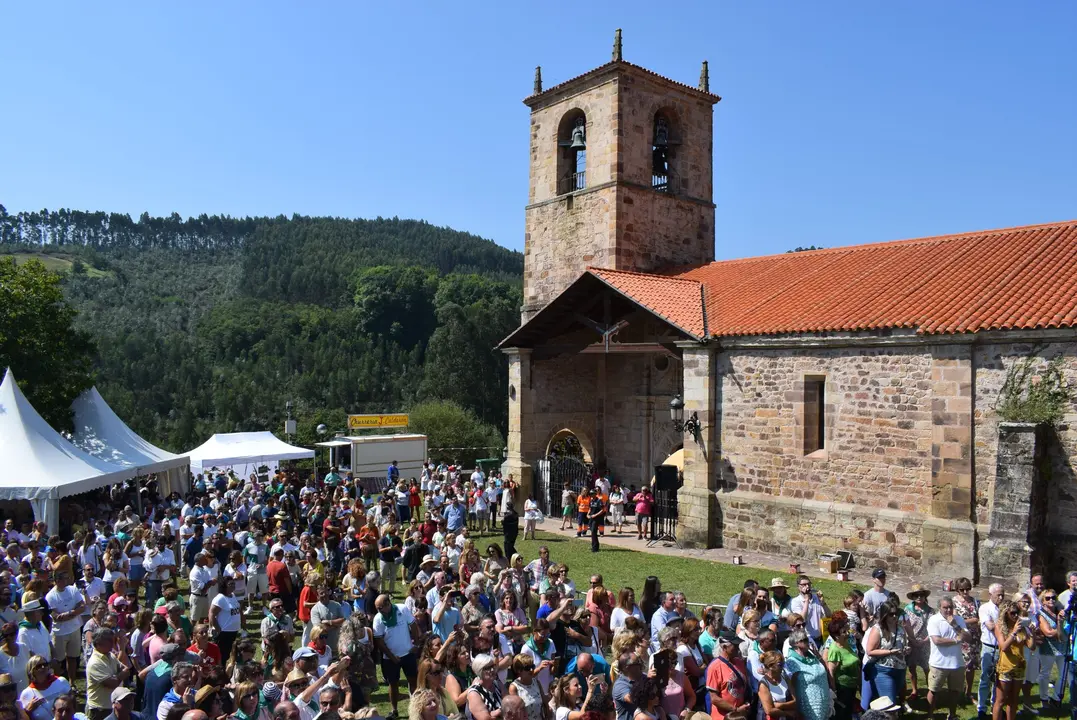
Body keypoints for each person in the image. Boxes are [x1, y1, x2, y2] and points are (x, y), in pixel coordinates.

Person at [372, 594, 419, 718]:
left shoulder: (402, 609)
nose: (378, 611)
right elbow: (379, 642)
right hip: (390, 659)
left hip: (408, 653)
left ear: (388, 604)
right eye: (377, 608)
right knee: (393, 684)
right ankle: (394, 710)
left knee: (413, 680)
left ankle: (416, 707)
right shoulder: (378, 619)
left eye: (380, 608)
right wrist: (392, 657)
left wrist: (416, 643)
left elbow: (413, 626)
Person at [925, 596, 969, 720]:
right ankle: (930, 715)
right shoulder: (934, 620)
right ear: (940, 607)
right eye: (945, 607)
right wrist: (956, 640)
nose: (949, 610)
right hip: (939, 663)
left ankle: (952, 714)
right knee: (934, 690)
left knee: (954, 691)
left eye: (951, 607)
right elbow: (937, 640)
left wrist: (955, 626)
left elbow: (967, 637)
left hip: (956, 663)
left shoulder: (958, 620)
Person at [862, 602, 908, 709]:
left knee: (893, 701)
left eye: (896, 613)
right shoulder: (877, 629)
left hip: (900, 669)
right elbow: (870, 651)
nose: (895, 616)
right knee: (889, 703)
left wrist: (906, 650)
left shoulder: (900, 629)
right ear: (885, 615)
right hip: (883, 670)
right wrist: (891, 652)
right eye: (891, 614)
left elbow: (903, 645)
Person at [993, 599, 1034, 720]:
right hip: (1005, 667)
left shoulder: (1021, 626)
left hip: (1019, 666)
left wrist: (1031, 632)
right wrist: (1014, 632)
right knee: (1000, 700)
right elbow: (1004, 647)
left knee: (1014, 700)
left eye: (1017, 612)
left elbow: (1032, 646)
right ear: (1005, 613)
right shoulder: (1000, 626)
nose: (1016, 615)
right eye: (1012, 613)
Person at [46, 571, 85, 681]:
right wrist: (75, 612)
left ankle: (72, 682)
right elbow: (56, 617)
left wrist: (69, 614)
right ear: (57, 581)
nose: (67, 581)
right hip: (59, 633)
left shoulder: (73, 589)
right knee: (58, 660)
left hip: (75, 628)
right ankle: (59, 682)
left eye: (67, 578)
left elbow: (82, 606)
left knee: (73, 658)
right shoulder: (50, 596)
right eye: (64, 578)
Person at [86, 627, 133, 720]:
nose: (113, 643)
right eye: (109, 640)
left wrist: (119, 675)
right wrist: (120, 675)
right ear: (99, 643)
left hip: (110, 707)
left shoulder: (110, 655)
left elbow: (127, 669)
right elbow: (113, 683)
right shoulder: (95, 662)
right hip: (99, 710)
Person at [784, 628, 830, 720]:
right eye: (804, 640)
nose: (807, 642)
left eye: (807, 639)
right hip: (809, 705)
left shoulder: (812, 655)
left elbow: (825, 670)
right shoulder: (791, 661)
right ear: (795, 644)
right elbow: (791, 686)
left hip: (824, 701)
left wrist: (818, 655)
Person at [823, 613, 859, 720]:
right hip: (842, 689)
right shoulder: (835, 649)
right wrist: (834, 691)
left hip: (851, 686)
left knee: (848, 712)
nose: (847, 633)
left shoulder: (846, 643)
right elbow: (831, 672)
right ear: (837, 636)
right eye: (844, 632)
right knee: (842, 714)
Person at [950, 577, 981, 701]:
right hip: (960, 636)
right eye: (962, 589)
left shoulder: (975, 601)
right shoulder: (953, 602)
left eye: (967, 589)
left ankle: (968, 692)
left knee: (971, 666)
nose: (965, 592)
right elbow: (954, 620)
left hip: (974, 638)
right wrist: (972, 621)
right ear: (957, 590)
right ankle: (957, 690)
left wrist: (969, 621)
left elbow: (980, 618)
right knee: (960, 665)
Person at [1035, 587, 1066, 708]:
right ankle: (1044, 699)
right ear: (1043, 601)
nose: (1051, 600)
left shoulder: (1060, 611)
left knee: (1065, 674)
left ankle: (1056, 697)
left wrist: (1061, 630)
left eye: (1053, 597)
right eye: (1047, 598)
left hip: (1062, 647)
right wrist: (1060, 628)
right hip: (1048, 648)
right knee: (1045, 674)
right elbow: (1047, 632)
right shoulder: (1041, 614)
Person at [977, 583, 1004, 718]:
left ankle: (996, 706)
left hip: (1002, 648)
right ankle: (982, 707)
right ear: (990, 595)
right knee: (986, 678)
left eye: (1002, 595)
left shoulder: (1004, 608)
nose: (1000, 597)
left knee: (999, 679)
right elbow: (990, 626)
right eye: (998, 595)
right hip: (989, 646)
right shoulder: (985, 608)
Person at [903, 584, 933, 702]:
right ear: (913, 597)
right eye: (916, 595)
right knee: (912, 667)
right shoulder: (907, 610)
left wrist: (925, 640)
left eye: (921, 595)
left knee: (927, 668)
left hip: (926, 643)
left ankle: (930, 690)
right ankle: (914, 690)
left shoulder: (931, 611)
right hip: (911, 641)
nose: (919, 597)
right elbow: (905, 625)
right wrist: (912, 640)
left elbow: (933, 628)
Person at [20, 655, 72, 720]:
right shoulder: (26, 694)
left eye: (45, 664)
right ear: (31, 671)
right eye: (39, 666)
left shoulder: (61, 681)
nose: (43, 667)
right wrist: (28, 711)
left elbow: (73, 705)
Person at [209, 577, 243, 660]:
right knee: (221, 656)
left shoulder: (232, 596)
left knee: (227, 655)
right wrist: (217, 628)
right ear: (224, 586)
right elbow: (211, 614)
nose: (233, 586)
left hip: (232, 631)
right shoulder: (220, 598)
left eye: (233, 584)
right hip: (223, 632)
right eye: (230, 584)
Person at [757, 650, 797, 719]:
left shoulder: (785, 677)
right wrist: (787, 713)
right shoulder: (763, 685)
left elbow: (795, 701)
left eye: (783, 664)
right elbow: (769, 710)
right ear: (770, 666)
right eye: (780, 665)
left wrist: (780, 705)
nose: (783, 667)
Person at [789, 576, 828, 645]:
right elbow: (801, 619)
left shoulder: (817, 598)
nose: (807, 586)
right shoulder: (795, 601)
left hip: (821, 638)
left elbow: (828, 615)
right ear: (798, 587)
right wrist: (806, 600)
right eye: (804, 584)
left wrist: (823, 603)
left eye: (809, 584)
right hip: (807, 640)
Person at [466, 655, 504, 720]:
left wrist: (492, 713)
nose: (492, 670)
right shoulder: (474, 693)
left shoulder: (497, 683)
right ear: (479, 670)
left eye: (493, 666)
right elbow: (485, 718)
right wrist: (502, 710)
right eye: (488, 668)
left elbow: (510, 704)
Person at [508, 654, 544, 720]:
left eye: (532, 666)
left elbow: (545, 703)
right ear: (519, 670)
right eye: (527, 668)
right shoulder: (514, 687)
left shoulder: (537, 682)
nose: (531, 670)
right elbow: (516, 712)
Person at [613, 652, 643, 720]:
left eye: (639, 662)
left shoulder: (643, 676)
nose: (640, 665)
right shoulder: (620, 685)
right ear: (626, 668)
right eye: (636, 663)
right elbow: (633, 699)